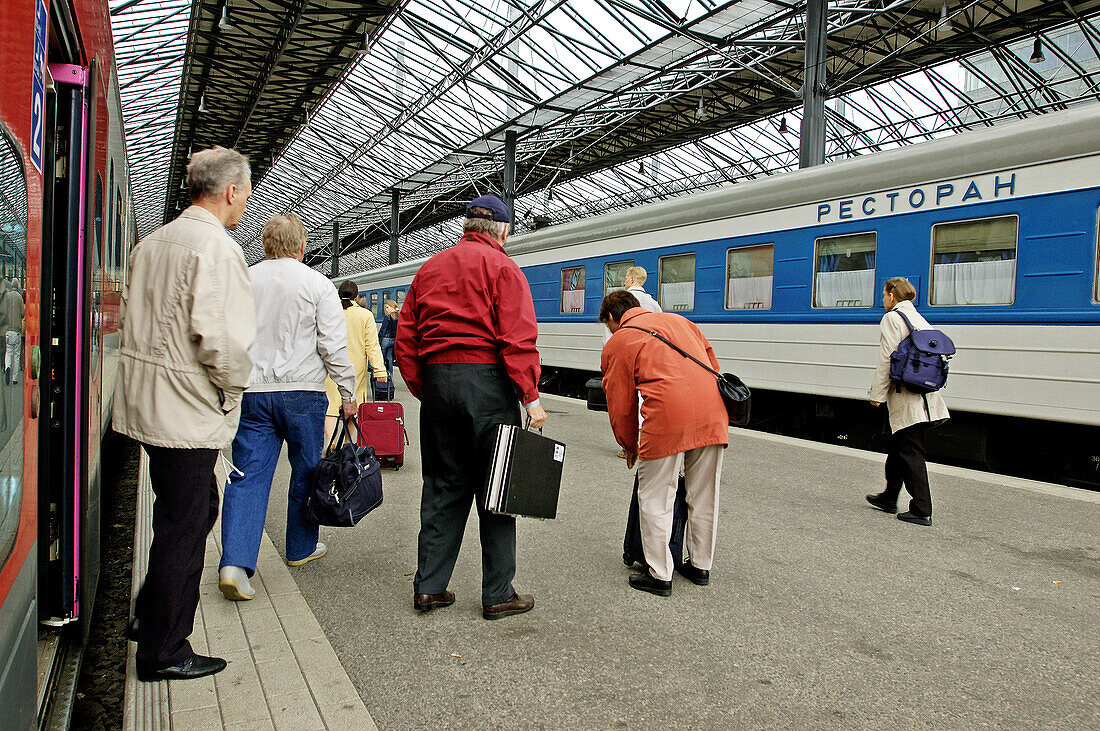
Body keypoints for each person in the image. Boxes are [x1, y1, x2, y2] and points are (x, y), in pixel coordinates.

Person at [112, 146, 255, 682]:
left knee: (188, 511)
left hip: (149, 400)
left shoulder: (152, 243)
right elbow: (224, 343)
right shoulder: (215, 249)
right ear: (230, 191)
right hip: (186, 407)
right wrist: (231, 390)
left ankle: (149, 617)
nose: (245, 202)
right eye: (245, 192)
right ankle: (164, 652)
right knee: (185, 525)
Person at [396, 193, 546, 620]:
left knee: (443, 486)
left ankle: (429, 587)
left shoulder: (429, 269)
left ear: (465, 227)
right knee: (498, 488)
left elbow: (407, 340)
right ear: (503, 230)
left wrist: (428, 388)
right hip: (489, 386)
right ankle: (498, 594)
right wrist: (530, 396)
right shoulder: (503, 268)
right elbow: (517, 338)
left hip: (440, 386)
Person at [219, 213, 357, 600]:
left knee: (246, 476)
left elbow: (228, 337)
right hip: (303, 394)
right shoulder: (317, 284)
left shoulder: (244, 279)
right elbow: (332, 345)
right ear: (301, 247)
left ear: (264, 245)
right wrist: (348, 394)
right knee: (307, 472)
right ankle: (299, 548)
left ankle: (235, 564)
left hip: (252, 394)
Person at [600, 290, 728, 597]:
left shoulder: (619, 341)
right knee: (704, 494)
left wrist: (629, 445)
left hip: (668, 417)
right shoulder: (681, 321)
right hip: (713, 414)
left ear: (612, 318)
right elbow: (713, 366)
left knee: (656, 495)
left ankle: (659, 574)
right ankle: (699, 566)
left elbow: (621, 405)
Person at [866, 277, 950, 526]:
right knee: (899, 446)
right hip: (924, 395)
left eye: (883, 295)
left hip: (907, 397)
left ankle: (922, 509)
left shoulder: (893, 318)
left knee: (910, 452)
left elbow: (887, 359)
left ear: (892, 296)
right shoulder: (918, 319)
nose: (882, 300)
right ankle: (890, 497)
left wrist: (877, 395)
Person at [603, 266, 661, 458]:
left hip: (625, 359)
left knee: (627, 401)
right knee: (646, 402)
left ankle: (629, 446)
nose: (625, 280)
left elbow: (610, 338)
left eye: (627, 277)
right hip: (652, 361)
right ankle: (645, 443)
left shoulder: (617, 302)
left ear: (632, 279)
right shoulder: (653, 303)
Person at [324, 281, 387, 446]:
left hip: (331, 365)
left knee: (331, 407)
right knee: (353, 406)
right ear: (357, 297)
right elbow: (372, 346)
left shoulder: (329, 313)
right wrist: (380, 370)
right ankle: (347, 444)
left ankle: (329, 443)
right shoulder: (365, 315)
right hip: (355, 369)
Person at [1, 278, 23, 384]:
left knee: (8, 351)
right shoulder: (19, 297)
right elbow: (22, 313)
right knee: (17, 354)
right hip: (17, 330)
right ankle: (15, 378)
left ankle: (7, 367)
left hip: (7, 330)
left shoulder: (6, 297)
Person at [378, 299, 398, 381]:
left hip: (385, 340)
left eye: (387, 307)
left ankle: (381, 373)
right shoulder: (397, 316)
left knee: (381, 357)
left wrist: (379, 339)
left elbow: (383, 329)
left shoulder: (387, 317)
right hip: (393, 340)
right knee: (389, 357)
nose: (386, 309)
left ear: (392, 307)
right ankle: (390, 374)